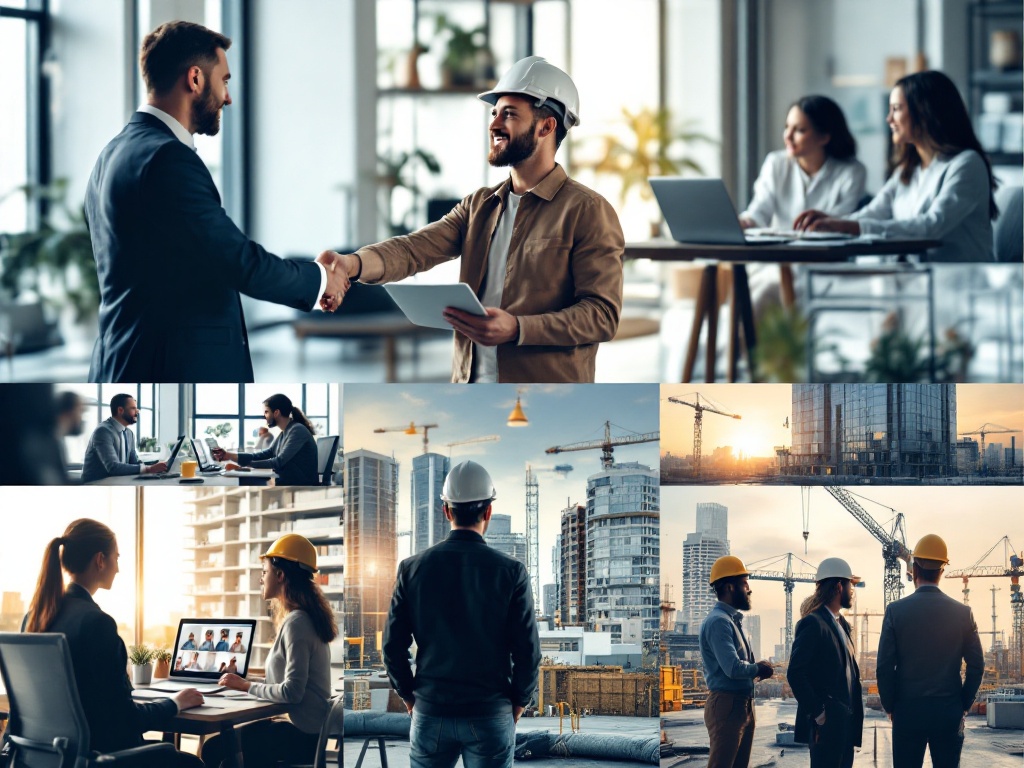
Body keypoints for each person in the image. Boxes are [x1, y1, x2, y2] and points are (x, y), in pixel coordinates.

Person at [320, 56, 624, 384]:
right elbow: (413, 250)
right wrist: (351, 264)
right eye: (494, 114)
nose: (494, 125)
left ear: (546, 126)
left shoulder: (587, 210)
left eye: (509, 114)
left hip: (547, 396)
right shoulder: (479, 205)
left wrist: (518, 328)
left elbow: (602, 316)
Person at [85, 20, 348, 383]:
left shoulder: (110, 154)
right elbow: (239, 262)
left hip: (120, 361)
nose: (228, 97)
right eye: (224, 80)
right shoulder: (168, 159)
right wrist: (320, 280)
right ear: (195, 79)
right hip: (169, 369)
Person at [383, 461, 541, 768]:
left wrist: (410, 698)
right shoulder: (512, 572)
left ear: (446, 511)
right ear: (488, 513)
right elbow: (528, 651)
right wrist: (519, 702)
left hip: (430, 710)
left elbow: (391, 647)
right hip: (490, 711)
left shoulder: (412, 569)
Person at [22, 519, 204, 766]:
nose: (118, 568)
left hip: (50, 757)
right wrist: (175, 703)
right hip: (100, 757)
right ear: (100, 560)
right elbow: (125, 719)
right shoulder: (96, 624)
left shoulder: (34, 619)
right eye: (116, 558)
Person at [795, 71, 997, 261]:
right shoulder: (908, 169)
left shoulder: (967, 164)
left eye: (896, 109)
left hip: (960, 284)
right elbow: (872, 214)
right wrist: (833, 221)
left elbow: (931, 226)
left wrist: (848, 226)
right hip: (914, 279)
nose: (889, 119)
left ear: (924, 112)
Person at [202, 534, 336, 768]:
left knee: (215, 749)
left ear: (280, 575)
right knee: (220, 748)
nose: (261, 579)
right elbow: (283, 683)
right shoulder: (304, 619)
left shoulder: (297, 623)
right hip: (304, 731)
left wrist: (245, 686)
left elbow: (292, 692)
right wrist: (244, 680)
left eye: (264, 572)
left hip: (301, 737)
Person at [876, 535, 984, 768]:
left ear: (914, 568)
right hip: (948, 713)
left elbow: (884, 667)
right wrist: (963, 704)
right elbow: (977, 666)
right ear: (942, 570)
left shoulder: (895, 611)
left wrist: (891, 706)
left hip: (907, 712)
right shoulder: (963, 614)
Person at [739, 95, 866, 230]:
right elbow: (760, 210)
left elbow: (843, 221)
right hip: (780, 249)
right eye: (786, 127)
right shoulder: (775, 163)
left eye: (799, 130)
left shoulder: (852, 171)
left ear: (824, 137)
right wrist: (745, 222)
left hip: (826, 250)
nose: (788, 136)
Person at [787, 558, 864, 768]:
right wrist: (819, 714)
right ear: (839, 586)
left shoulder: (842, 625)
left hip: (844, 725)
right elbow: (795, 673)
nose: (852, 592)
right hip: (827, 725)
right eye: (850, 586)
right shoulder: (813, 623)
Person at [698, 556, 774, 768]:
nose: (749, 588)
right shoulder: (718, 622)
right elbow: (732, 668)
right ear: (730, 587)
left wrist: (755, 667)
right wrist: (759, 668)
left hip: (741, 704)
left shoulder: (731, 621)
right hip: (727, 704)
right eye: (744, 583)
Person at [211, 393, 318, 485]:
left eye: (266, 412)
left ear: (276, 412)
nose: (264, 416)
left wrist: (246, 464)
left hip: (299, 486)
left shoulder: (297, 430)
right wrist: (229, 456)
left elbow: (278, 462)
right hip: (287, 483)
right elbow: (263, 455)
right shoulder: (284, 433)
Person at [81, 393, 168, 483]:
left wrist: (155, 466)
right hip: (96, 484)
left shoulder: (129, 434)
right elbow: (113, 467)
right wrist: (148, 469)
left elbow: (134, 462)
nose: (137, 411)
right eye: (133, 408)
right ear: (120, 410)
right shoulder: (103, 432)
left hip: (117, 482)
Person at [55, 390, 85, 474]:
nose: (81, 418)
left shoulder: (58, 440)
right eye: (80, 411)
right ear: (68, 412)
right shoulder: (47, 446)